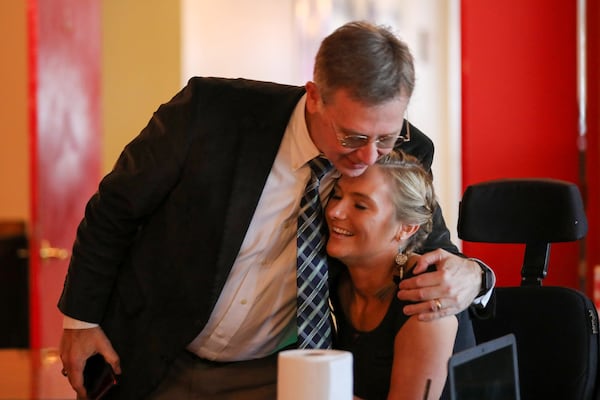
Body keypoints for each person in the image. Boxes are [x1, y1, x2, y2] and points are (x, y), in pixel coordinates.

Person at [58, 21, 493, 399]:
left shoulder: (406, 150)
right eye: (352, 138)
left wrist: (478, 276)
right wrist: (81, 320)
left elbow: (431, 246)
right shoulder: (210, 113)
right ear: (315, 96)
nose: (370, 157)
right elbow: (114, 209)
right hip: (158, 350)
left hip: (276, 370)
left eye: (387, 137)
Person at [327, 150, 475, 400]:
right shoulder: (337, 277)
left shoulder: (426, 292)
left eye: (360, 205)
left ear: (405, 228)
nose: (335, 212)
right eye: (336, 195)